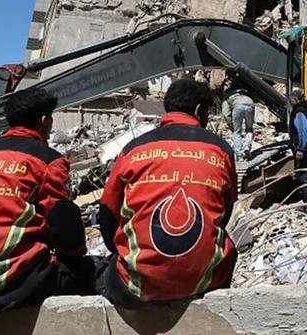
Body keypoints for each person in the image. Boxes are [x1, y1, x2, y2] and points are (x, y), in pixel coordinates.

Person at [0, 89, 102, 315]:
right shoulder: (47, 161)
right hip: (6, 288)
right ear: (44, 121)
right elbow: (64, 228)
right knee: (97, 270)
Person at [97, 77, 238, 307]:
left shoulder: (133, 149)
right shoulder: (221, 150)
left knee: (108, 268)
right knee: (228, 251)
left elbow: (107, 211)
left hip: (136, 287)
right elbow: (225, 211)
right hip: (204, 282)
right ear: (199, 110)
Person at [221, 88, 255, 158]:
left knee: (237, 132)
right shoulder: (244, 96)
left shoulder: (227, 100)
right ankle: (247, 146)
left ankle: (239, 153)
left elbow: (226, 114)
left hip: (238, 107)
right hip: (250, 105)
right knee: (249, 129)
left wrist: (231, 126)